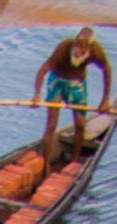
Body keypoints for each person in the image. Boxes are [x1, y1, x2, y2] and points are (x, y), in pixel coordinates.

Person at [33, 25, 112, 168]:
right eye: (76, 51)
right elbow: (43, 70)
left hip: (77, 84)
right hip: (57, 82)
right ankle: (46, 166)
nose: (78, 54)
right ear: (73, 45)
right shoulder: (63, 48)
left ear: (89, 50)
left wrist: (105, 100)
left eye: (82, 53)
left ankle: (74, 162)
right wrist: (37, 95)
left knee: (81, 125)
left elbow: (107, 70)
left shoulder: (96, 52)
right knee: (51, 125)